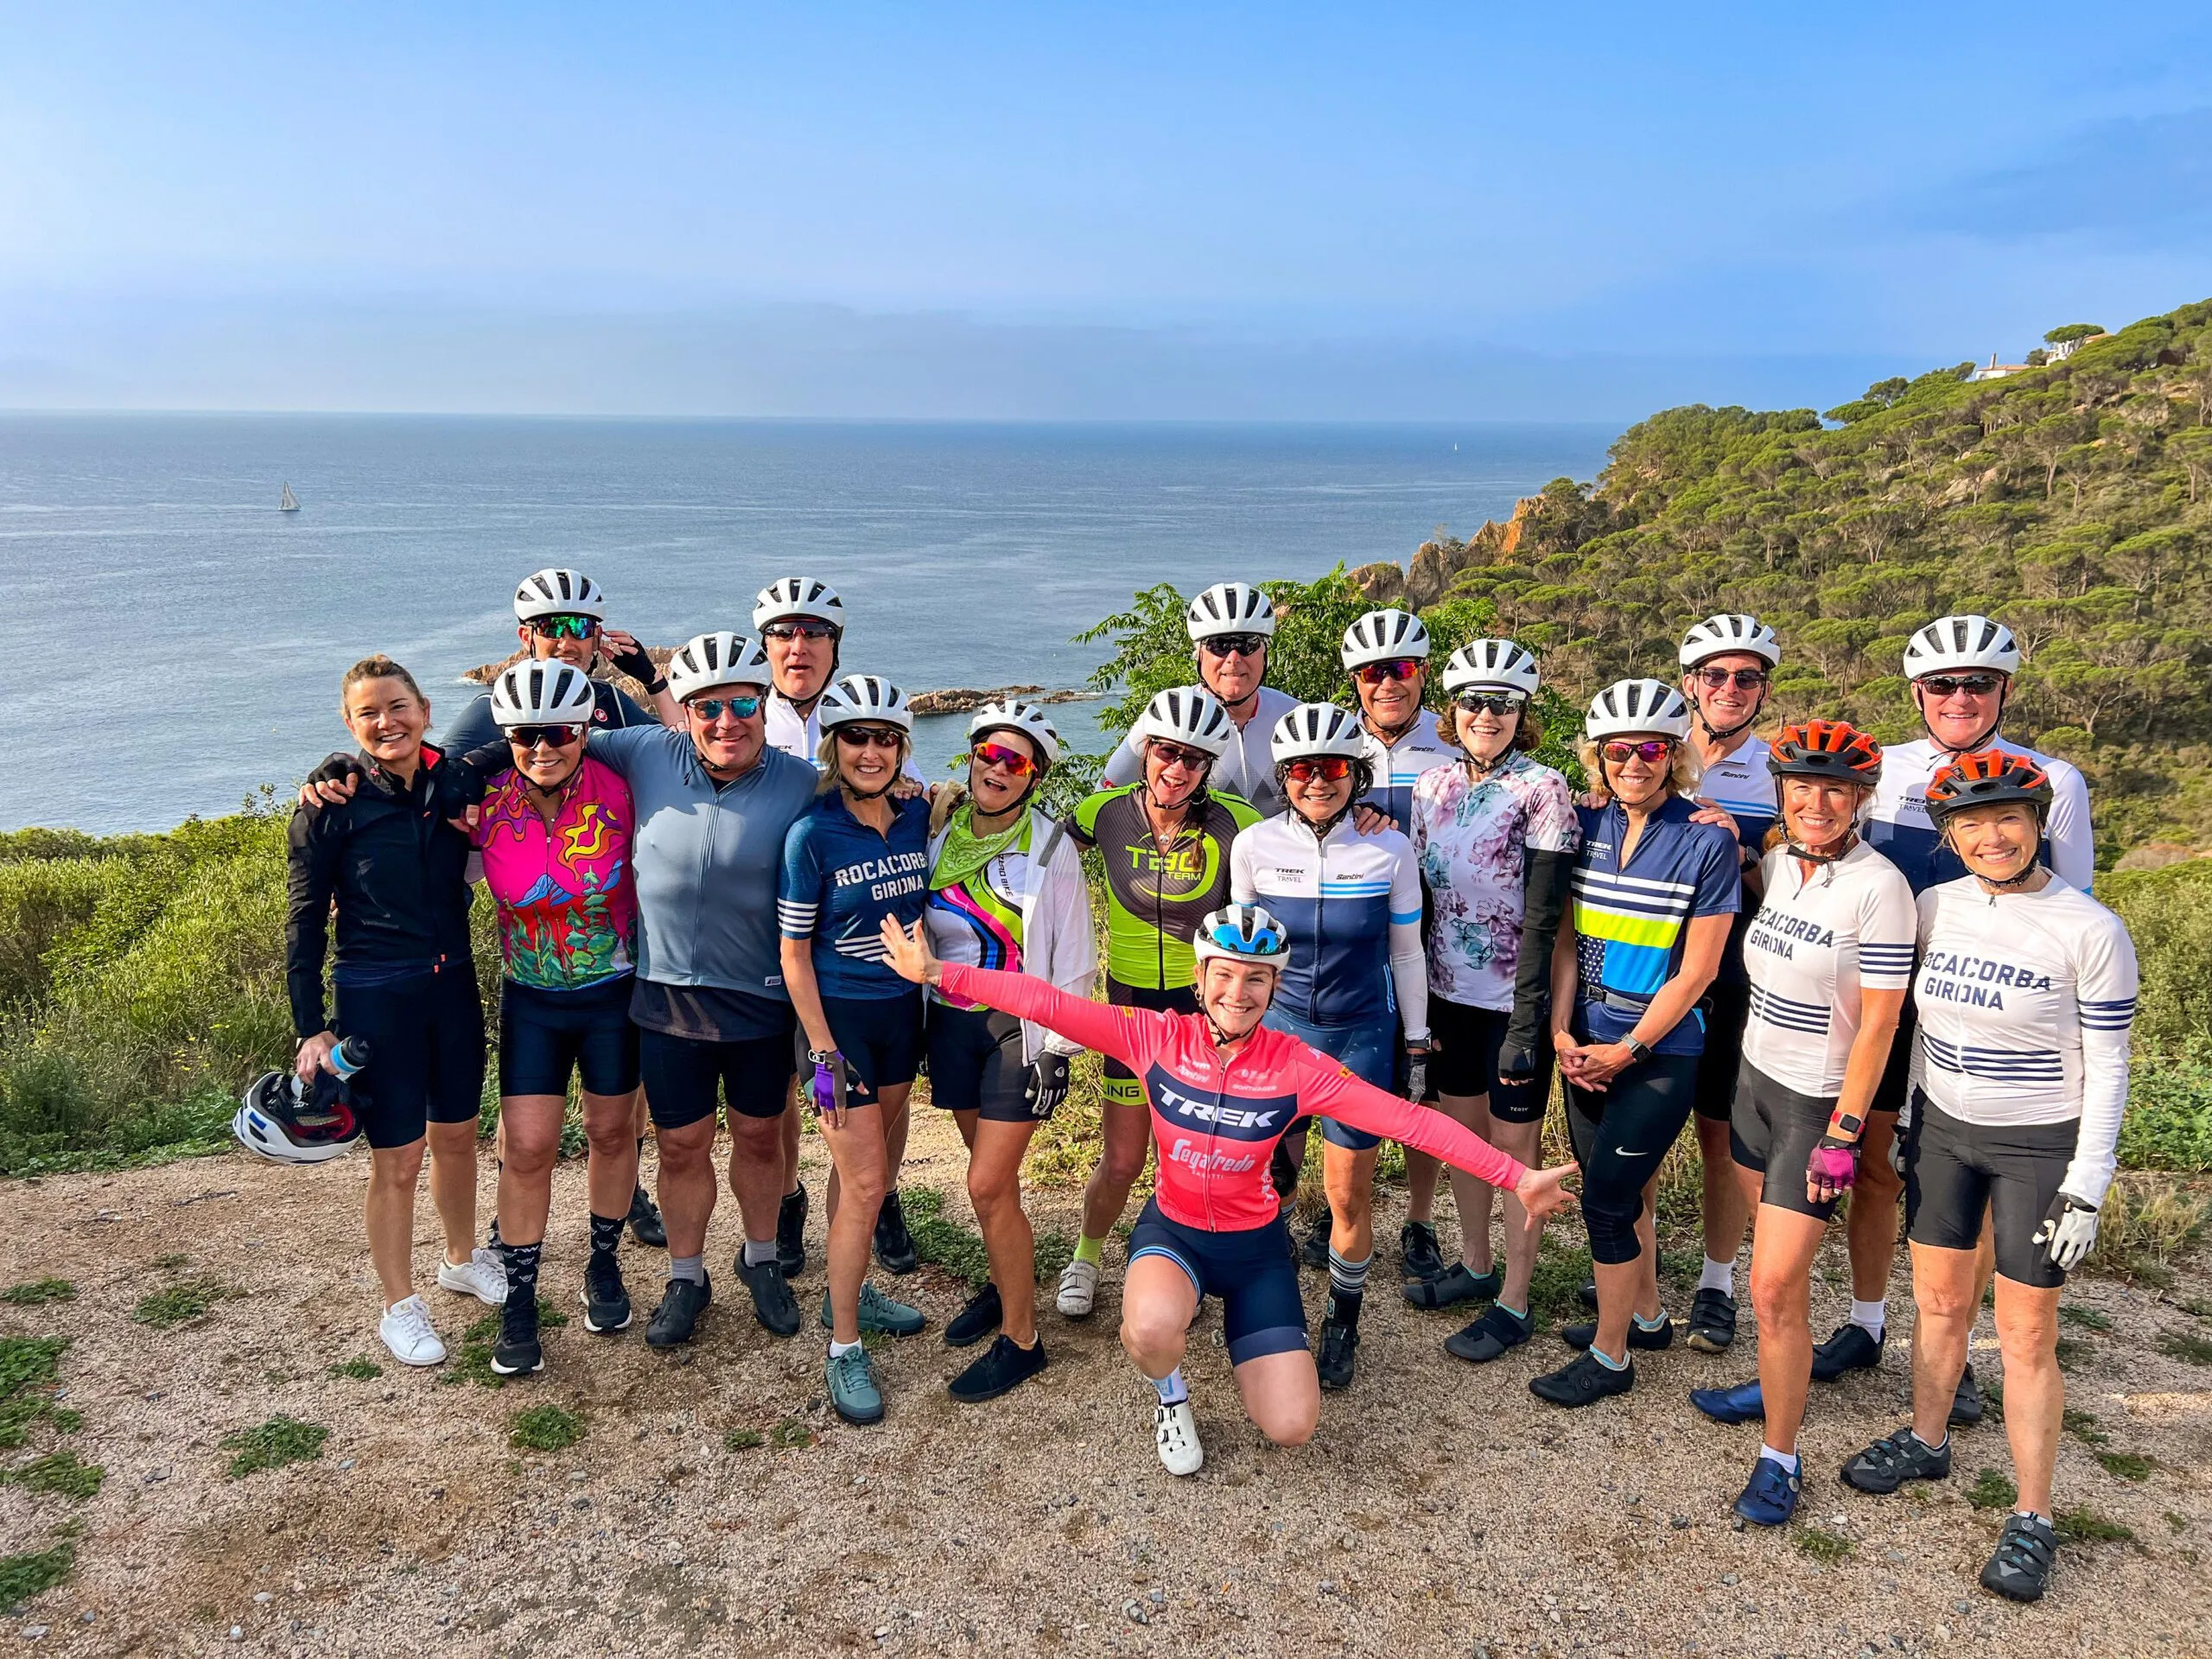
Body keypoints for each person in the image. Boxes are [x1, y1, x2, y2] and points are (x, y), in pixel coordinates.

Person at [876, 903, 1579, 1476]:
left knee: (1292, 1426)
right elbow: (1046, 1002)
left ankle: (1243, 1336)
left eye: (1255, 980)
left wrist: (1516, 1175)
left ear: (1276, 990)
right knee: (1149, 1330)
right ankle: (1171, 1395)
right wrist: (939, 971)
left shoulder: (1297, 1067)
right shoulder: (1153, 1037)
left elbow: (1406, 1121)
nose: (1236, 994)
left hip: (1253, 1251)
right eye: (1223, 975)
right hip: (1175, 1231)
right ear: (1199, 975)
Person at [1840, 750, 2137, 1605]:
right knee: (1935, 1304)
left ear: (2038, 822)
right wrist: (1905, 1124)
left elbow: (2110, 1067)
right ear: (1949, 837)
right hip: (1942, 1133)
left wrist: (2087, 1178)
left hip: (2036, 1146)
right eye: (1969, 823)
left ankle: (2034, 1514)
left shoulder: (2089, 929)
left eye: (2007, 818)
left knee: (2025, 1337)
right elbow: (1906, 1025)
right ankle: (1928, 1437)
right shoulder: (1935, 906)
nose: (1990, 836)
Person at [1831, 615, 2095, 1418]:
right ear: (1917, 693)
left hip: (1983, 1011)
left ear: (2005, 690)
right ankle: (1868, 1322)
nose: (1959, 698)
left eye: (1977, 683)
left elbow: (2073, 908)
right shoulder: (1889, 767)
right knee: (1879, 1169)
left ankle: (1959, 1352)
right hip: (1885, 998)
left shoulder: (2056, 780)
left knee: (1963, 1193)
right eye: (1942, 685)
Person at [1683, 723, 1914, 1526]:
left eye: (1837, 791)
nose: (1818, 804)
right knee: (1776, 1272)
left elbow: (1881, 1025)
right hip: (1754, 1085)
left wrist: (1847, 1131)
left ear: (1860, 800)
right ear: (1782, 793)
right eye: (1804, 789)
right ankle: (1781, 1369)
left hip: (1817, 1107)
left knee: (1773, 1283)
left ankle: (1781, 1456)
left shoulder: (1880, 888)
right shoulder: (1778, 866)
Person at [585, 631, 821, 1347]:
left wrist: (921, 792)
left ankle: (761, 1262)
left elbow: (879, 785)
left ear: (764, 702)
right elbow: (542, 743)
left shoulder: (802, 779)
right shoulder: (644, 752)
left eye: (744, 703)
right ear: (683, 712)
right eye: (707, 707)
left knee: (758, 1137)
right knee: (681, 1146)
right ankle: (686, 1276)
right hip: (665, 995)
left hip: (758, 997)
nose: (727, 721)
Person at [442, 567, 676, 1253]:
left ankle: (625, 1192)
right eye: (552, 627)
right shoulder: (493, 707)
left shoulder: (610, 701)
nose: (567, 640)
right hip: (534, 948)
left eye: (582, 627)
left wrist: (653, 681)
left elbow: (676, 759)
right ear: (525, 635)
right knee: (532, 1132)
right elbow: (437, 774)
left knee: (618, 1110)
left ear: (599, 636)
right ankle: (514, 1221)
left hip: (614, 939)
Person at [285, 657, 503, 1367]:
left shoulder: (457, 777)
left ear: (426, 709)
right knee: (398, 1158)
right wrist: (310, 1025)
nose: (388, 722)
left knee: (460, 1136)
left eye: (398, 706)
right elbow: (305, 921)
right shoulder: (330, 808)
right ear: (350, 727)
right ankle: (398, 1305)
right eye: (370, 713)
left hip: (454, 985)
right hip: (375, 995)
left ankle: (462, 1259)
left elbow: (528, 743)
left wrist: (592, 709)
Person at [1535, 678, 1740, 1407]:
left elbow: (1700, 970)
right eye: (1618, 751)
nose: (1634, 763)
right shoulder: (1585, 827)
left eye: (1650, 749)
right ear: (1598, 756)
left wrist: (1629, 1050)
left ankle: (1612, 1354)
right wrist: (1562, 1030)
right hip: (1584, 1040)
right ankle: (1646, 1315)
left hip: (1661, 1050)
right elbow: (1567, 942)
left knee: (1609, 1202)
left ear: (1674, 753)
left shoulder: (1707, 838)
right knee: (1616, 1194)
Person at [1230, 702, 1427, 1390]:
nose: (1319, 782)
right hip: (1277, 1036)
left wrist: (1419, 1042)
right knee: (1266, 1182)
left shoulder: (1389, 849)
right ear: (1284, 777)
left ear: (1357, 774)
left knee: (1349, 1199)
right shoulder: (1253, 847)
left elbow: (1408, 956)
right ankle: (1268, 1296)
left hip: (1358, 1037)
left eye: (1335, 768)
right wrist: (1231, 1034)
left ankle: (1344, 1318)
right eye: (1303, 770)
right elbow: (1242, 957)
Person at [1055, 686, 1262, 1319]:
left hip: (1207, 1012)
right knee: (1121, 1158)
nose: (1177, 768)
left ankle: (1187, 1265)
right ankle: (1087, 1257)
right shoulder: (1103, 813)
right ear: (1144, 751)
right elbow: (1032, 843)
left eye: (1193, 759)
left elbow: (1299, 850)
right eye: (1167, 752)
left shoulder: (1237, 823)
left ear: (1209, 768)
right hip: (1132, 1008)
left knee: (1194, 1157)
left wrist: (1369, 818)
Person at [1404, 640, 1580, 1363]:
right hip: (1448, 992)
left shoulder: (1544, 788)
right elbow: (1417, 897)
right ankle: (1476, 1264)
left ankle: (1515, 1297)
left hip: (1514, 1001)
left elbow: (1545, 919)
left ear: (1522, 713)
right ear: (1453, 709)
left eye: (1502, 705)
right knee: (1464, 1142)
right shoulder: (1431, 786)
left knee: (1515, 1151)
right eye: (1474, 702)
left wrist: (1531, 1024)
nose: (1486, 715)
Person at [752, 575, 931, 1282]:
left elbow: (911, 796)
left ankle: (876, 1199)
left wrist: (938, 794)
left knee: (883, 1105)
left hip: (849, 947)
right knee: (786, 1104)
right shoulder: (742, 716)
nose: (800, 646)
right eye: (785, 633)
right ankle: (796, 1201)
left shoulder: (861, 721)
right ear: (764, 644)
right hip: (768, 942)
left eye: (815, 633)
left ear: (835, 645)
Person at [922, 701, 1097, 1403]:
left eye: (1015, 762)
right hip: (949, 1023)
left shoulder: (1050, 847)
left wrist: (1058, 1049)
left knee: (988, 1185)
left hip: (1015, 1028)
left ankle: (1023, 1342)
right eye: (988, 755)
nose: (997, 769)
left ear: (1035, 776)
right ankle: (1006, 1282)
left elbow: (1077, 959)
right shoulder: (940, 830)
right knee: (989, 1179)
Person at [775, 676, 937, 1424]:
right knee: (867, 1184)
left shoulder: (914, 819)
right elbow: (794, 954)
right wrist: (822, 1050)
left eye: (884, 739)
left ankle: (857, 1289)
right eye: (856, 738)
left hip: (903, 1020)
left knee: (868, 1179)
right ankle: (842, 1348)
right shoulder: (812, 833)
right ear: (834, 748)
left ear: (901, 748)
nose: (870, 751)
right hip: (839, 1032)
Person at [1324, 607, 1460, 1268]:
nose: (1388, 684)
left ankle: (1418, 1220)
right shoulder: (1330, 740)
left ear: (1423, 673)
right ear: (1355, 679)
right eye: (1374, 672)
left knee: (1421, 1084)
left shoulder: (1455, 737)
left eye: (1401, 670)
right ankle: (1333, 1206)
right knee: (1335, 1076)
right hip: (1355, 936)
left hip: (1441, 938)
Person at [1674, 614, 1784, 1357]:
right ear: (1690, 683)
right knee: (1638, 1133)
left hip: (1737, 976)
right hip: (1643, 970)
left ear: (1763, 689)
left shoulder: (1779, 771)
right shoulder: (1648, 747)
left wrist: (1740, 847)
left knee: (1720, 1136)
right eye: (1716, 675)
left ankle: (1716, 1283)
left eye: (1747, 677)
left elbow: (1791, 878)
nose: (1730, 689)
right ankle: (1634, 1264)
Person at [1101, 582, 1300, 816]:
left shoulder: (1294, 717)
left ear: (1265, 652)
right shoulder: (1167, 717)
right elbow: (1105, 797)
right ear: (1199, 654)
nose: (1233, 658)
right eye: (1220, 645)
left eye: (1247, 644)